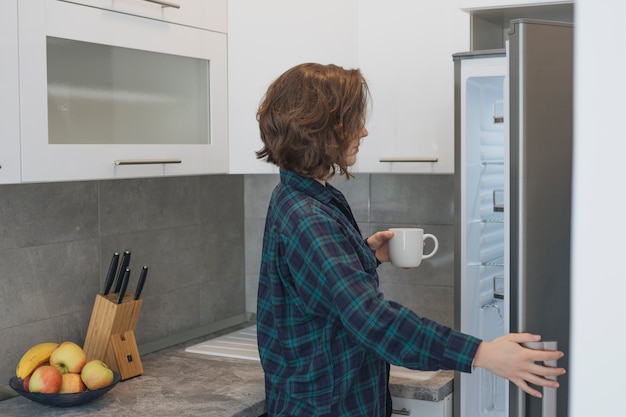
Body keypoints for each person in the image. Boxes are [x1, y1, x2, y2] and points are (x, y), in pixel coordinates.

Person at [255, 62, 565, 417]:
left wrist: (364, 253)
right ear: (321, 128)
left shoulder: (298, 195)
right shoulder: (309, 217)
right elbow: (373, 321)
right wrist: (483, 354)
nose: (365, 131)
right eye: (353, 120)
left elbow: (317, 286)